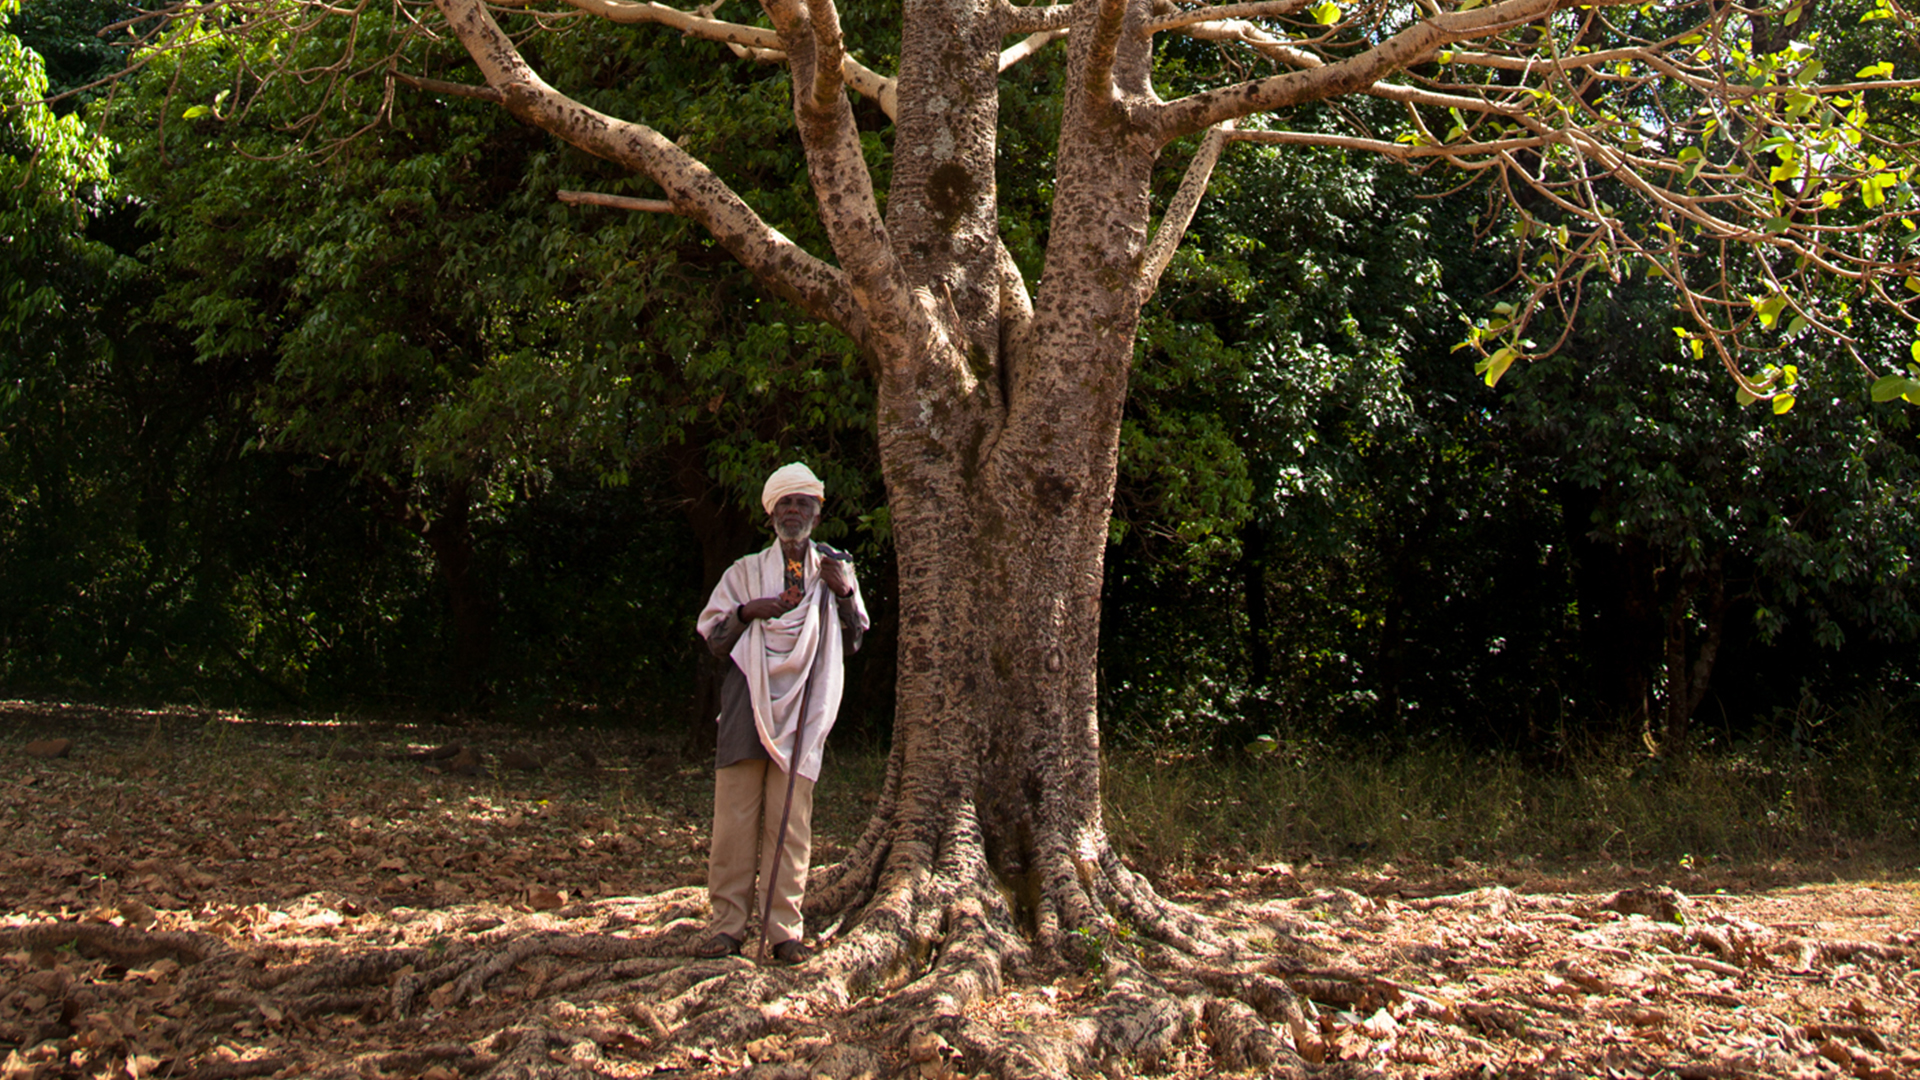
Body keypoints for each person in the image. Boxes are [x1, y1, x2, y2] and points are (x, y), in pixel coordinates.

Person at [691, 462, 869, 962]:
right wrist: (749, 611)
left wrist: (843, 591)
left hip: (806, 706)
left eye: (802, 503)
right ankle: (727, 927)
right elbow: (715, 640)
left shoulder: (836, 569)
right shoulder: (744, 573)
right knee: (734, 818)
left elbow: (853, 640)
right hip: (748, 699)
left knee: (791, 821)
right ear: (771, 513)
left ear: (817, 512)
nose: (793, 511)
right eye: (785, 503)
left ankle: (784, 932)